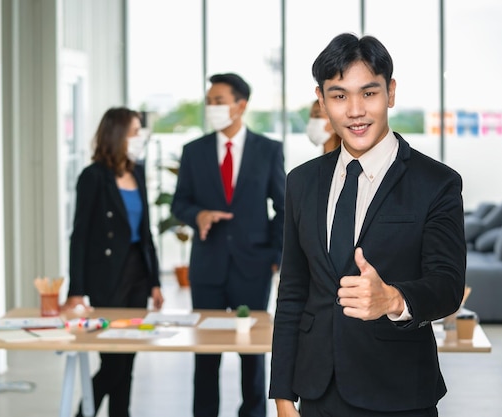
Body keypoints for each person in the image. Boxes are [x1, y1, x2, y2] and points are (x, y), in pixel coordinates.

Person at [269, 33, 466, 417]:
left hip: (398, 390)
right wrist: (282, 393)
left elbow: (447, 285)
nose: (355, 110)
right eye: (340, 96)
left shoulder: (436, 182)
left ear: (390, 93)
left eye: (369, 93)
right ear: (322, 100)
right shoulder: (302, 181)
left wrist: (392, 298)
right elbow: (293, 291)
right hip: (316, 391)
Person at [171, 73, 286, 417]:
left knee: (252, 353)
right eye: (209, 101)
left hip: (254, 266)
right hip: (208, 265)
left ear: (241, 105)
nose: (211, 107)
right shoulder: (194, 151)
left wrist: (275, 255)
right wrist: (199, 214)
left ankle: (252, 413)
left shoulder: (268, 150)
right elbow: (180, 203)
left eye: (218, 101)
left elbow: (283, 207)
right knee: (205, 352)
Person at [62, 107, 164, 417]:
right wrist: (76, 290)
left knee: (129, 357)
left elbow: (145, 232)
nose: (139, 138)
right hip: (107, 276)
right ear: (118, 134)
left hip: (138, 273)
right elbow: (79, 236)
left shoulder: (138, 171)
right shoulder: (92, 176)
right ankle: (83, 413)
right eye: (134, 131)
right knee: (113, 362)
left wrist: (156, 281)